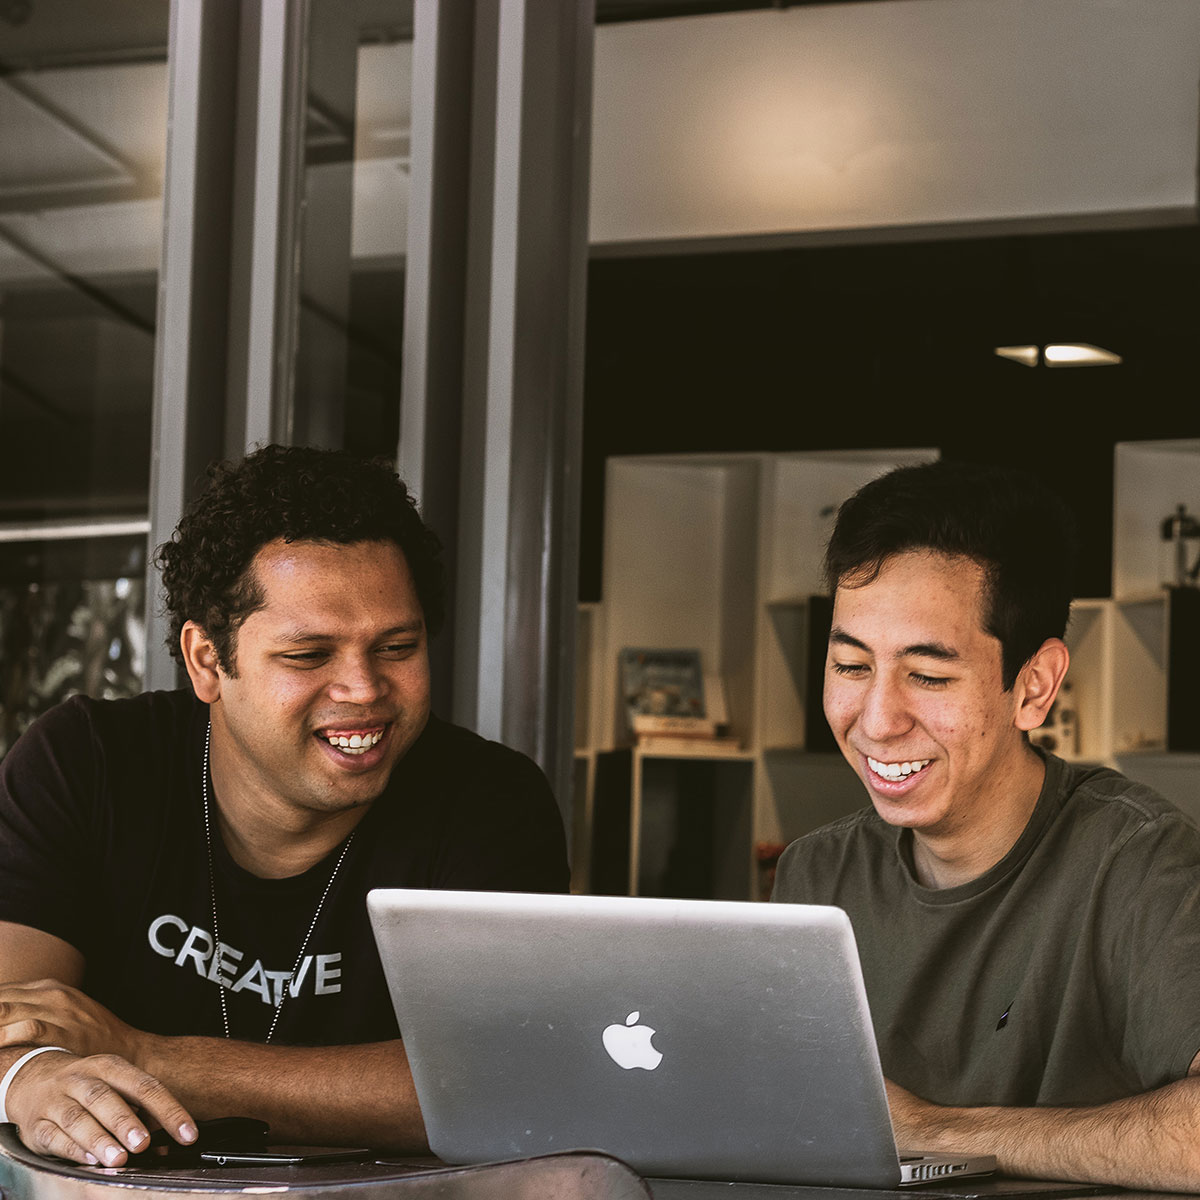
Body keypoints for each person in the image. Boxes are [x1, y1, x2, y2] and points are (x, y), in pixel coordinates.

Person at [0, 444, 569, 1168]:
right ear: (208, 661)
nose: (363, 689)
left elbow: (500, 1081)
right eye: (309, 656)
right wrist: (31, 1076)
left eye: (397, 646)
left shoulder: (490, 802)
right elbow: (15, 1019)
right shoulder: (87, 763)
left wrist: (147, 1057)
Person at [772, 459, 1200, 1192]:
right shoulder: (818, 873)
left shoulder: (1138, 861)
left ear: (1034, 688)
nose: (878, 720)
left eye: (929, 676)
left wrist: (939, 1131)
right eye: (850, 665)